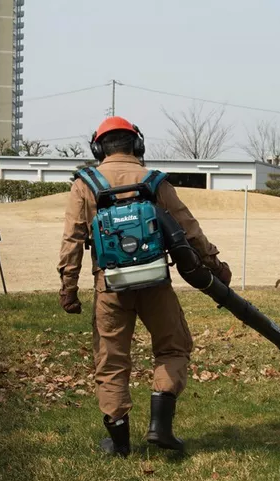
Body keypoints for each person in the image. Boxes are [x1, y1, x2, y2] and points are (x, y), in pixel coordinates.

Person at [57, 116, 232, 457]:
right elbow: (189, 230)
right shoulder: (155, 181)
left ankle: (120, 443)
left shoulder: (84, 184)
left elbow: (72, 240)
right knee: (173, 348)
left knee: (111, 361)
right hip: (155, 282)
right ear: (137, 144)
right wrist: (215, 266)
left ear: (98, 148)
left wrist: (69, 288)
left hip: (109, 286)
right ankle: (160, 425)